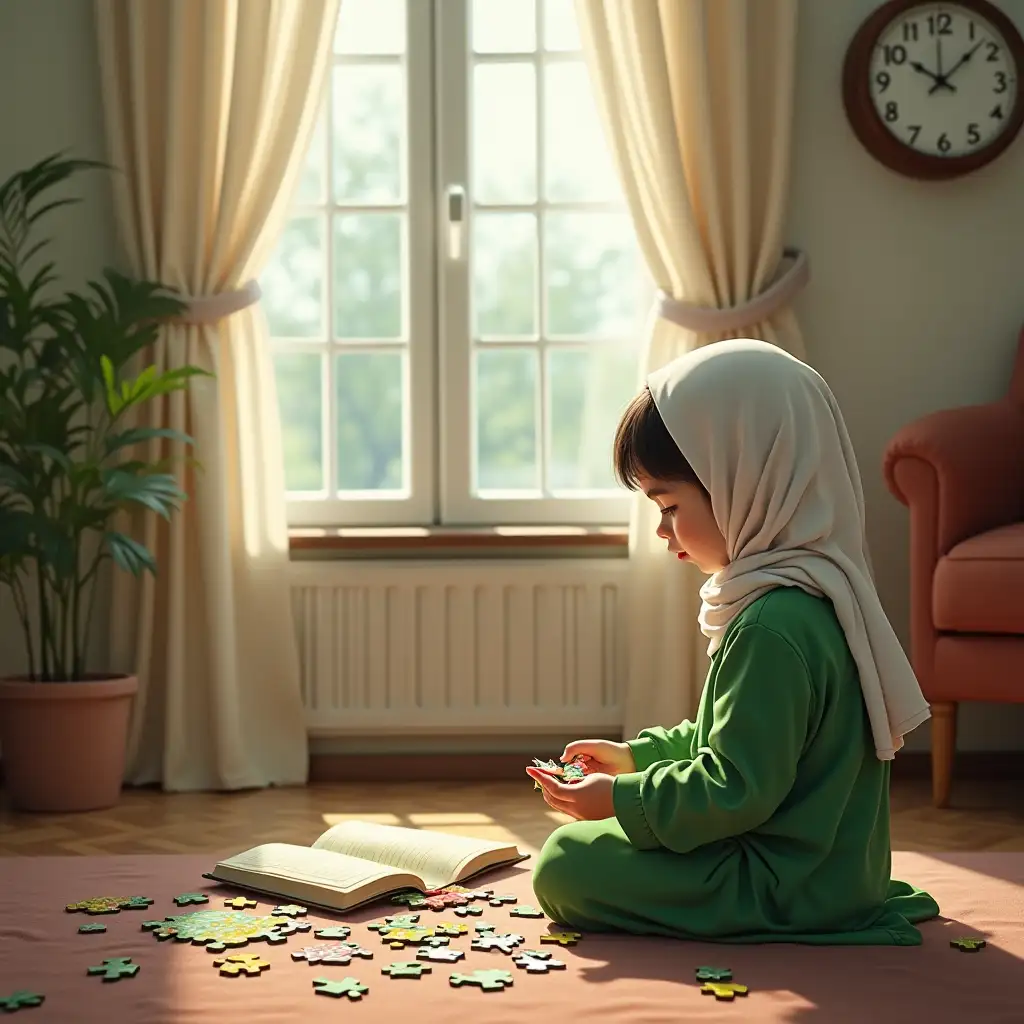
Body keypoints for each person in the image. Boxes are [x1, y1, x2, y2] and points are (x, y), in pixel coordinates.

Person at [527, 338, 940, 945]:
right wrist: (636, 759)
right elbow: (734, 744)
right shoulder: (813, 595)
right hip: (829, 869)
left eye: (668, 506)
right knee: (580, 847)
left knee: (565, 862)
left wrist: (619, 798)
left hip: (787, 884)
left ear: (743, 483)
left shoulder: (771, 626)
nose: (664, 532)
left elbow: (734, 790)